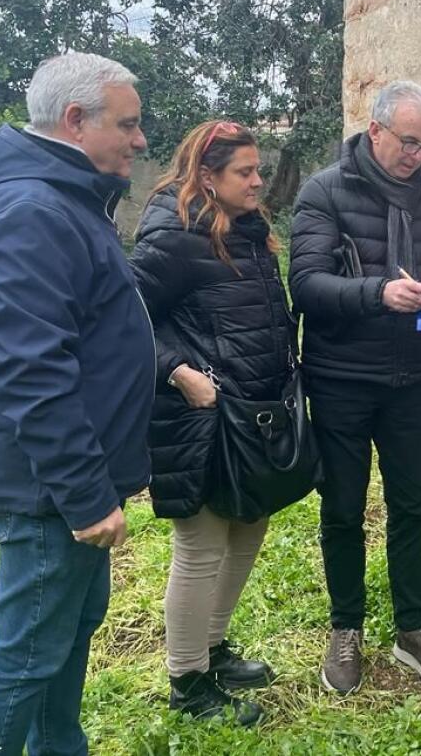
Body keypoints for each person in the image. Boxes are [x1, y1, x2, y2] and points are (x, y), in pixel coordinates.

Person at [0, 52, 153, 755]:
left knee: (67, 631)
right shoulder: (30, 210)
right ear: (75, 120)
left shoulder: (61, 197)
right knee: (27, 658)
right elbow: (30, 370)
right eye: (127, 124)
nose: (140, 140)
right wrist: (85, 496)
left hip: (65, 480)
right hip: (45, 488)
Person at [289, 80, 421, 694]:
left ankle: (412, 628)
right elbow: (306, 285)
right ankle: (346, 629)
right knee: (342, 508)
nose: (418, 155)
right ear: (376, 131)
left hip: (410, 378)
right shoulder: (324, 191)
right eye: (409, 142)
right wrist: (378, 293)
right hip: (341, 379)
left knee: (411, 505)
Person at [130, 120, 296, 725]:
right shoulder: (173, 237)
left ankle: (213, 649)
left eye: (258, 171)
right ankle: (187, 682)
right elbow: (123, 318)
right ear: (206, 176)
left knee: (248, 527)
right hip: (198, 417)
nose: (258, 182)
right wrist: (178, 371)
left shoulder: (248, 230)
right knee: (201, 547)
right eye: (244, 172)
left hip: (252, 415)